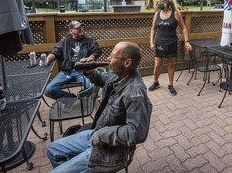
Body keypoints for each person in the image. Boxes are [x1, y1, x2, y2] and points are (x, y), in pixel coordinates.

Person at [47, 41, 153, 173]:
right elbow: (102, 78)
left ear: (127, 63)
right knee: (52, 150)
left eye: (113, 56)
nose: (108, 58)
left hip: (111, 152)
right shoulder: (118, 74)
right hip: (97, 133)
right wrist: (89, 71)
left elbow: (137, 133)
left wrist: (102, 135)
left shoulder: (135, 93)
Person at [44, 20, 102, 112]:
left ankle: (83, 98)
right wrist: (47, 59)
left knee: (92, 86)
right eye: (77, 28)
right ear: (71, 31)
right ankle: (69, 100)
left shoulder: (90, 40)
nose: (80, 29)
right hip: (67, 71)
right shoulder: (65, 41)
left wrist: (91, 57)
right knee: (48, 90)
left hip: (83, 71)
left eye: (81, 27)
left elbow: (97, 51)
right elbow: (55, 52)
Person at [149, 0, 192, 96]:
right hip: (160, 42)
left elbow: (184, 28)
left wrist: (186, 41)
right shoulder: (157, 14)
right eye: (158, 2)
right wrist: (151, 41)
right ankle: (155, 82)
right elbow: (153, 29)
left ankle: (171, 85)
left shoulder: (175, 13)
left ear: (167, 3)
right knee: (157, 65)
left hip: (172, 42)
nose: (158, 4)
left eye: (160, 2)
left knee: (171, 65)